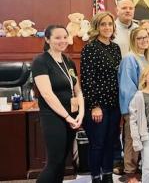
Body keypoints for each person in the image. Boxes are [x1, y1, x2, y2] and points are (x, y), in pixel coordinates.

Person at [32, 25, 84, 183]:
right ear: (47, 39)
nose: (62, 41)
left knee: (62, 162)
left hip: (72, 117)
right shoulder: (40, 61)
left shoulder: (68, 61)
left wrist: (80, 114)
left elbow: (78, 91)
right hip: (53, 117)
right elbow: (47, 94)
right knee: (54, 163)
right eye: (57, 37)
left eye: (65, 37)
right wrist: (67, 116)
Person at [81, 12, 122, 183]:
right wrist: (94, 105)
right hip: (98, 105)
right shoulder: (90, 48)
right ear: (97, 27)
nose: (107, 27)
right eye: (103, 24)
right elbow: (87, 79)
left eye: (109, 24)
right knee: (97, 143)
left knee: (110, 142)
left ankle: (107, 175)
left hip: (114, 104)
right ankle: (95, 177)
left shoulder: (115, 47)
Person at [118, 27, 149, 183]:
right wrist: (134, 110)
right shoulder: (129, 58)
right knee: (132, 140)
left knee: (140, 140)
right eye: (139, 38)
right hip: (133, 108)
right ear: (133, 40)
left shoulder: (144, 58)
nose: (144, 40)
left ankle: (136, 171)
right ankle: (130, 174)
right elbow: (127, 87)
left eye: (146, 37)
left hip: (145, 108)